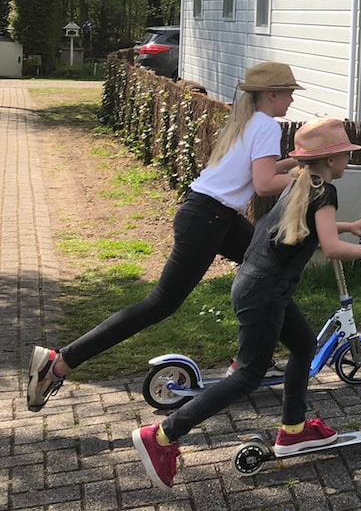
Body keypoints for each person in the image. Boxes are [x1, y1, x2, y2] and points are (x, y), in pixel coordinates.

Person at [26, 60, 305, 412]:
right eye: (290, 93)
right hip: (209, 219)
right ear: (272, 93)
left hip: (213, 215)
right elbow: (264, 184)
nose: (292, 100)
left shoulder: (246, 121)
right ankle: (59, 362)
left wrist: (298, 164)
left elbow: (255, 172)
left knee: (271, 273)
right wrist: (307, 181)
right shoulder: (266, 125)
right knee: (161, 303)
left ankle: (256, 358)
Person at [131, 117, 361, 490]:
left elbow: (313, 231)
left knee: (304, 345)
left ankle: (293, 429)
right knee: (247, 376)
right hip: (265, 293)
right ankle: (162, 436)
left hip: (259, 286)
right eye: (345, 155)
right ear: (332, 159)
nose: (348, 161)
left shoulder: (304, 184)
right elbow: (331, 249)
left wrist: (349, 226)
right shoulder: (323, 191)